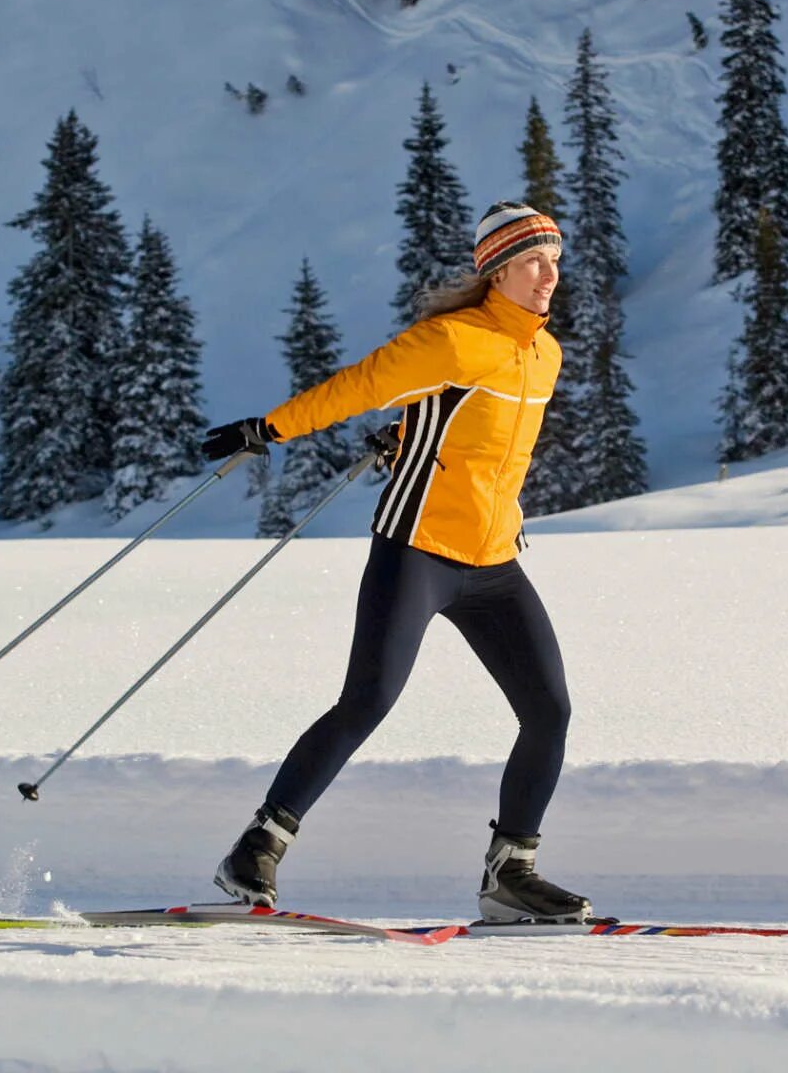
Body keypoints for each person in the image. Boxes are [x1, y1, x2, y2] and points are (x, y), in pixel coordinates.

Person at [201, 202, 588, 922]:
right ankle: (256, 845)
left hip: (494, 561)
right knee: (368, 700)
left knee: (549, 710)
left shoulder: (545, 354)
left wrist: (416, 433)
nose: (550, 275)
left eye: (555, 260)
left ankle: (511, 875)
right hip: (417, 551)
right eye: (535, 261)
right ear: (497, 270)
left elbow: (467, 430)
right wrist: (269, 428)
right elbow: (362, 385)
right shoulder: (450, 338)